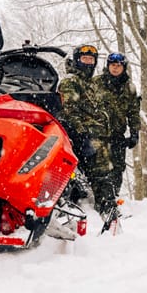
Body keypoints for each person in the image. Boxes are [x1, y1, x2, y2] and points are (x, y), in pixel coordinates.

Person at [58, 44, 118, 218]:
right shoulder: (71, 81)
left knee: (103, 172)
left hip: (97, 135)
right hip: (83, 136)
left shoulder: (90, 84)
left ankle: (104, 206)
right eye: (85, 59)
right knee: (101, 171)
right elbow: (69, 109)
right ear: (77, 60)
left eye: (91, 60)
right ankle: (105, 208)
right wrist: (81, 133)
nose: (88, 63)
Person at [94, 52, 141, 197]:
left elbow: (133, 112)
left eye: (118, 66)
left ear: (123, 68)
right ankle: (97, 199)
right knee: (98, 168)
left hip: (117, 135)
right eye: (112, 65)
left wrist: (134, 132)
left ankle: (114, 197)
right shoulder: (96, 83)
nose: (115, 68)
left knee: (118, 168)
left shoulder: (129, 87)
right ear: (108, 66)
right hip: (97, 134)